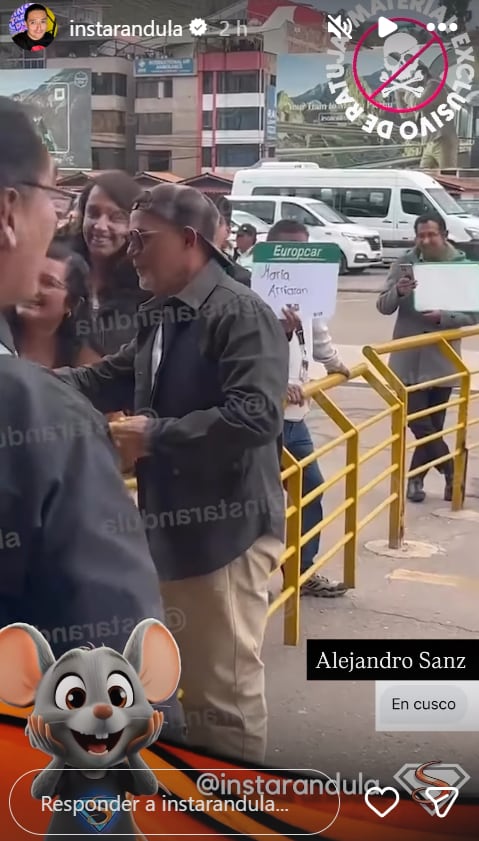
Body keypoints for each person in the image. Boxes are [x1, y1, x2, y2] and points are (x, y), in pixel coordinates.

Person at [55, 182, 289, 763]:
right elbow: (103, 378)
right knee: (183, 686)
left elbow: (257, 414)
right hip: (175, 533)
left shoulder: (239, 311)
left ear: (189, 241)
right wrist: (23, 381)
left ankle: (241, 814)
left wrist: (155, 433)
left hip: (224, 538)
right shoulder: (163, 316)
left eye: (142, 238)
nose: (129, 249)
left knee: (223, 699)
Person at [0, 96, 184, 741]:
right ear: (7, 213)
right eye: (58, 197)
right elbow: (122, 686)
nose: (68, 219)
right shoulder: (41, 421)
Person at [267, 220, 350, 597]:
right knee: (256, 504)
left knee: (310, 488)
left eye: (305, 249)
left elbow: (318, 336)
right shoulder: (255, 292)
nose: (300, 258)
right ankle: (251, 580)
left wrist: (335, 364)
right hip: (263, 416)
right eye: (290, 250)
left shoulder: (307, 291)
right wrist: (273, 383)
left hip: (295, 417)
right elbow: (241, 353)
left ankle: (299, 572)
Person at [377, 213, 479, 503]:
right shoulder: (404, 264)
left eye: (431, 235)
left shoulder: (460, 266)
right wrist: (398, 291)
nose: (425, 240)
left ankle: (416, 480)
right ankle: (451, 470)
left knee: (434, 423)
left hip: (443, 359)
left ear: (444, 234)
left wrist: (444, 317)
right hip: (407, 360)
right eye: (421, 235)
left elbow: (474, 313)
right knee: (418, 423)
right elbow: (382, 306)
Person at [65, 171, 148, 355]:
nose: (100, 226)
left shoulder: (146, 290)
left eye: (116, 217)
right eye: (93, 213)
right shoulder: (59, 273)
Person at [6, 237, 100, 368]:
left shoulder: (84, 362)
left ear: (71, 303)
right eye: (30, 276)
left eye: (48, 283)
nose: (33, 287)